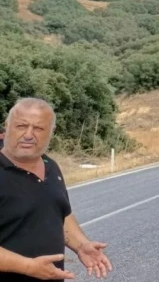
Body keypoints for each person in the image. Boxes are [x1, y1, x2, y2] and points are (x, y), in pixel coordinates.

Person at [0, 98, 113, 281]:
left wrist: (81, 245)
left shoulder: (50, 166)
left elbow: (59, 212)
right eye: (21, 126)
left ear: (52, 132)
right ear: (7, 126)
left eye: (38, 128)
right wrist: (28, 267)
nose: (29, 134)